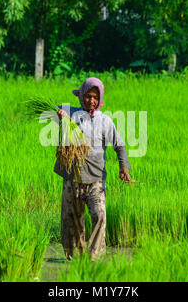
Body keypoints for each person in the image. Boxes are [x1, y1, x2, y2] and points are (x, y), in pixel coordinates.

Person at [53, 77, 131, 261]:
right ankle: (74, 260)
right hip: (73, 180)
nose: (91, 101)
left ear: (100, 98)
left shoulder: (105, 122)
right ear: (81, 96)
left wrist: (123, 167)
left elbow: (119, 145)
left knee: (100, 216)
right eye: (88, 96)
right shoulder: (71, 113)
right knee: (73, 221)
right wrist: (60, 115)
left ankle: (94, 258)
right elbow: (51, 109)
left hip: (96, 180)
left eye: (95, 97)